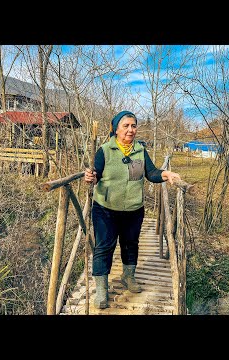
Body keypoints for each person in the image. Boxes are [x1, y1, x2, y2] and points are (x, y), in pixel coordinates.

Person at [84, 110, 181, 309]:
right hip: (106, 209)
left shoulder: (139, 150)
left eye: (133, 126)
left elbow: (151, 173)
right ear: (116, 129)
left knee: (130, 244)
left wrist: (166, 174)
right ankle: (102, 289)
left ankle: (128, 277)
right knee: (104, 247)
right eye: (126, 126)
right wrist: (91, 178)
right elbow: (96, 175)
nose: (130, 130)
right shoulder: (105, 150)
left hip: (133, 209)